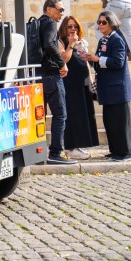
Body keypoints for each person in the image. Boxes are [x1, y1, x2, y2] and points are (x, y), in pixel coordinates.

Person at [85, 10, 131, 161]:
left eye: (103, 22)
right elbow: (99, 61)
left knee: (120, 123)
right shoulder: (103, 40)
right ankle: (115, 150)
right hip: (107, 89)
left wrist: (97, 59)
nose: (100, 25)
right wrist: (90, 58)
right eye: (99, 22)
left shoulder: (117, 40)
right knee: (110, 122)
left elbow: (118, 62)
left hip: (118, 89)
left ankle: (126, 152)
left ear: (112, 23)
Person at [35, 0, 74, 164]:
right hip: (51, 75)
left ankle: (38, 153)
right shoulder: (50, 23)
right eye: (59, 9)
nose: (62, 13)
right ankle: (56, 153)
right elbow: (49, 45)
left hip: (37, 76)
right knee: (60, 115)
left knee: (39, 116)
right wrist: (62, 63)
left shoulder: (35, 24)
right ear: (49, 9)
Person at [57, 15, 98, 160]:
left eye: (75, 26)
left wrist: (91, 81)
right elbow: (64, 59)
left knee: (82, 114)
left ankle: (77, 146)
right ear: (64, 28)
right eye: (69, 26)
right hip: (70, 83)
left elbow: (86, 62)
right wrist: (71, 45)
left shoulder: (81, 43)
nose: (73, 29)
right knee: (72, 114)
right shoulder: (61, 42)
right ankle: (70, 147)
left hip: (82, 83)